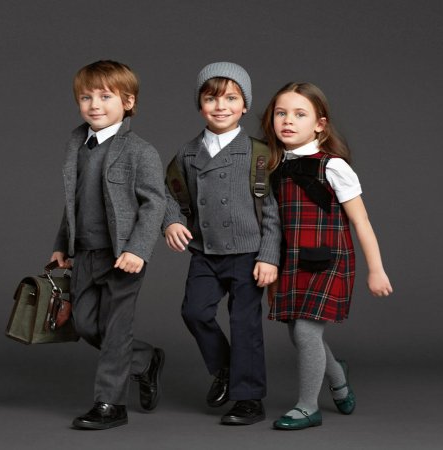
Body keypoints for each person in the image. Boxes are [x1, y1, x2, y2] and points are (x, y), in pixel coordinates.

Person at [260, 82, 393, 430]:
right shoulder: (274, 166)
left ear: (319, 124)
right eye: (281, 113)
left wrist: (376, 269)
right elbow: (274, 225)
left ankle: (307, 407)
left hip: (328, 261)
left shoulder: (332, 167)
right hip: (292, 261)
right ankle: (338, 376)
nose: (288, 121)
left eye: (299, 114)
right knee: (298, 333)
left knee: (306, 333)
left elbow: (361, 221)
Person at [50, 60, 166, 430]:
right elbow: (72, 202)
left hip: (123, 255)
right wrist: (62, 244)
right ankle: (145, 359)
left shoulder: (140, 151)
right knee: (85, 324)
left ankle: (110, 404)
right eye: (86, 97)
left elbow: (155, 203)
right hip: (85, 253)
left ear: (128, 102)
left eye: (105, 96)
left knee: (116, 329)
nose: (94, 105)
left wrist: (138, 250)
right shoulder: (77, 144)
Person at [163, 62, 281, 425]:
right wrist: (171, 221)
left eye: (231, 98)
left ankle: (249, 399)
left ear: (245, 105)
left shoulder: (260, 153)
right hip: (206, 251)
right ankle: (227, 369)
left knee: (245, 325)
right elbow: (167, 192)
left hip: (248, 253)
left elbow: (272, 212)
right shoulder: (188, 152)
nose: (221, 106)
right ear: (200, 104)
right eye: (211, 98)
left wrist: (269, 256)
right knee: (194, 312)